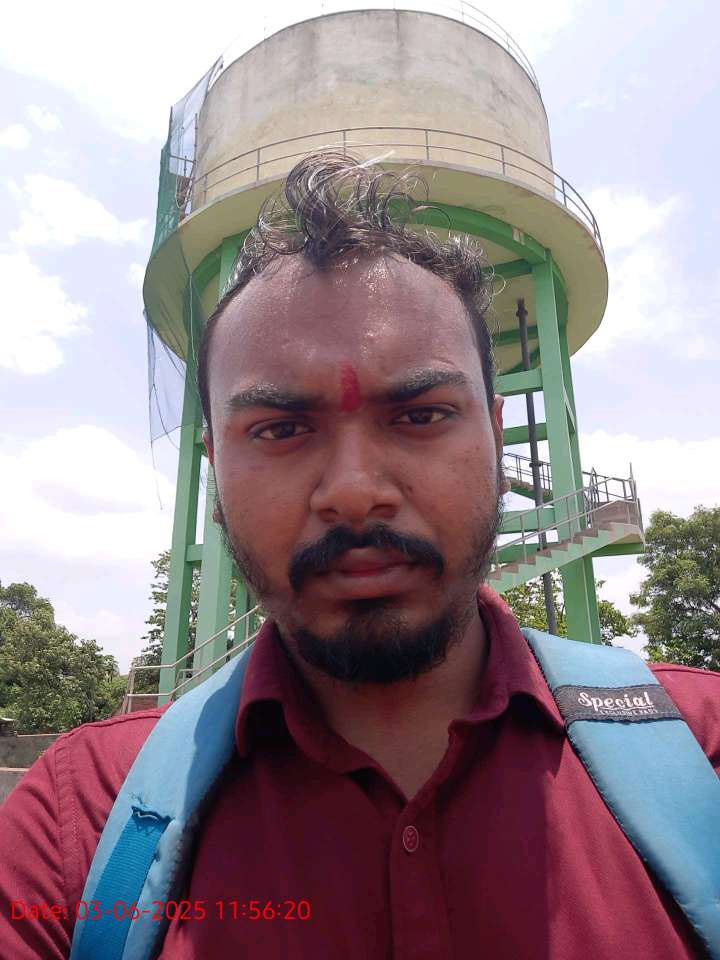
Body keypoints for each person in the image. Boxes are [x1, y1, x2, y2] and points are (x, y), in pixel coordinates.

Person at [1, 151, 717, 959]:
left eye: (420, 415)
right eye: (280, 429)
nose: (353, 491)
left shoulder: (701, 759)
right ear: (214, 468)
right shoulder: (81, 823)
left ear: (496, 435)